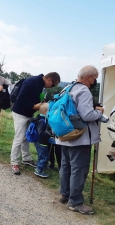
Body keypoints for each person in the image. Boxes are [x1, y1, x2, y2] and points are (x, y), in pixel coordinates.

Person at [58, 65, 103, 215]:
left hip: (65, 135)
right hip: (79, 137)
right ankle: (75, 202)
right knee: (79, 169)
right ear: (89, 77)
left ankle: (64, 194)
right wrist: (98, 112)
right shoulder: (84, 90)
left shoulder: (67, 87)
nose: (95, 81)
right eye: (95, 78)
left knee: (66, 166)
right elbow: (87, 116)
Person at [10, 72, 60, 175]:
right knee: (19, 138)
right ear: (50, 80)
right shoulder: (32, 82)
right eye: (53, 85)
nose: (52, 87)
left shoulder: (40, 84)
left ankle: (26, 158)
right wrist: (34, 106)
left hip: (28, 114)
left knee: (27, 137)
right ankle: (14, 162)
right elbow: (21, 99)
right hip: (20, 113)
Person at [33, 103, 53, 178]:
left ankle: (41, 166)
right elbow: (41, 133)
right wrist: (50, 132)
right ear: (45, 111)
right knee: (44, 157)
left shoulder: (44, 119)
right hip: (41, 142)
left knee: (42, 156)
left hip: (43, 142)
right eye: (49, 110)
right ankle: (39, 170)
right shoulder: (41, 121)